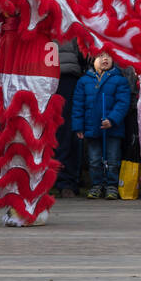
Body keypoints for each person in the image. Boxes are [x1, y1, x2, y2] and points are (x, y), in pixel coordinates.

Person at [72, 52, 131, 200]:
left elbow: (123, 103)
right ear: (92, 60)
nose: (105, 59)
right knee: (94, 159)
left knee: (113, 159)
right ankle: (96, 185)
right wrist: (78, 126)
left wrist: (112, 119)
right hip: (92, 127)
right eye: (100, 56)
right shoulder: (84, 81)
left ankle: (112, 186)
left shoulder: (119, 80)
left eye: (108, 56)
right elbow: (78, 105)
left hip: (113, 128)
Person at [51, 38, 85, 198]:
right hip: (41, 76)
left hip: (67, 77)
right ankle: (55, 180)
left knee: (68, 130)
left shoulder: (71, 24)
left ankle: (66, 181)